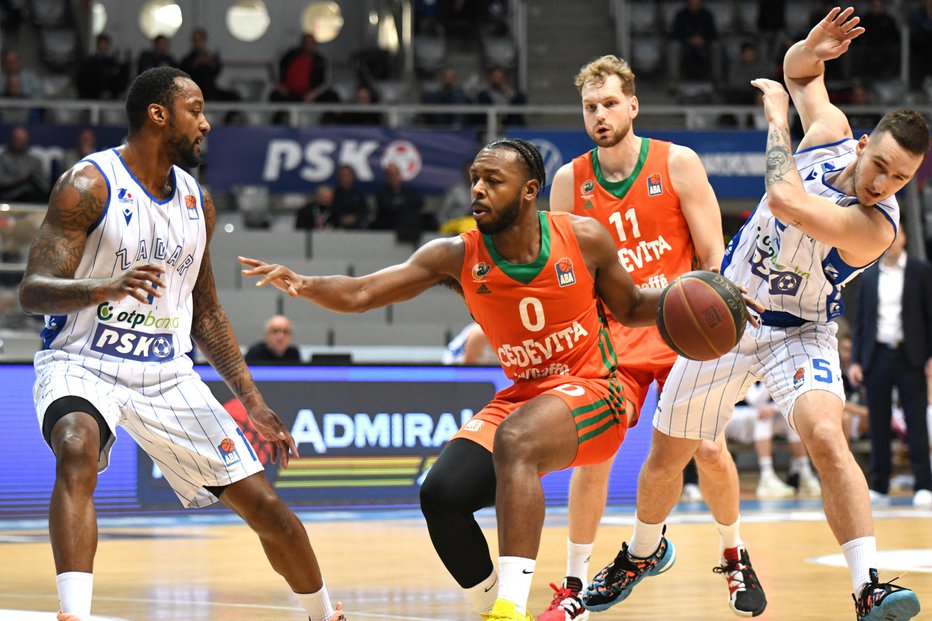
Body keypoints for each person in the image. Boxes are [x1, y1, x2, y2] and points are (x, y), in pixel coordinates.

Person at [239, 139, 745, 621]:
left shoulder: (583, 237)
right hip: (524, 395)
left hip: (597, 387)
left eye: (493, 181)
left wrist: (709, 295)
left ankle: (510, 603)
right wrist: (304, 284)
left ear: (529, 190)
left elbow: (633, 307)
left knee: (517, 439)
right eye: (475, 180)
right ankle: (495, 609)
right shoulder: (456, 254)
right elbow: (362, 293)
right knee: (441, 495)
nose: (478, 190)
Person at [583, 9, 928, 621]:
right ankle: (640, 552)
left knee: (826, 434)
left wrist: (776, 122)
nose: (883, 183)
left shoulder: (876, 225)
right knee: (669, 453)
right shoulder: (832, 132)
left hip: (800, 331)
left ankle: (868, 584)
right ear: (862, 143)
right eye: (880, 165)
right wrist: (809, 48)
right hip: (726, 312)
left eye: (901, 178)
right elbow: (800, 74)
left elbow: (785, 198)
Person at [17, 67, 345, 621]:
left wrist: (254, 402)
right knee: (77, 446)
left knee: (268, 510)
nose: (207, 123)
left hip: (168, 375)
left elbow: (208, 311)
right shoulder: (88, 184)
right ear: (158, 114)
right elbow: (32, 291)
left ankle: (324, 613)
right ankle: (73, 614)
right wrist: (102, 287)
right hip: (81, 362)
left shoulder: (198, 201)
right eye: (196, 110)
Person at [543, 54, 766, 620]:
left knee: (709, 448)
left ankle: (734, 555)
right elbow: (564, 275)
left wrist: (729, 317)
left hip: (683, 334)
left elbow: (715, 255)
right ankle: (573, 582)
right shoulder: (570, 180)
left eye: (610, 103)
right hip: (612, 340)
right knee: (591, 455)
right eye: (590, 107)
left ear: (633, 105)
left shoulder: (678, 163)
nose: (599, 114)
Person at [849, 226, 932, 507]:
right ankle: (880, 485)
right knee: (879, 422)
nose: (891, 241)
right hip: (877, 357)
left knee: (916, 420)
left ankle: (923, 484)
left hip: (911, 356)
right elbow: (860, 321)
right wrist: (857, 360)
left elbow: (930, 315)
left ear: (905, 238)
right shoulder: (869, 275)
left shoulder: (920, 271)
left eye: (896, 235)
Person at [726, 382, 821, 499]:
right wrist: (771, 381)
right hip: (733, 416)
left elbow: (791, 399)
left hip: (756, 417)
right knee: (763, 416)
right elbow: (755, 400)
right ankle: (766, 476)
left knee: (789, 420)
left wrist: (774, 407)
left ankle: (805, 473)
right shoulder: (750, 367)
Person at [179, 28, 239, 102]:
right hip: (193, 91)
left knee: (235, 97)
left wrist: (211, 63)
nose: (198, 42)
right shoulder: (187, 59)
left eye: (200, 40)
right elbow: (184, 72)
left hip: (211, 90)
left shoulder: (210, 57)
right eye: (196, 40)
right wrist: (196, 63)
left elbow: (217, 71)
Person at [372, 163, 427, 244]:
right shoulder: (382, 193)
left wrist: (399, 205)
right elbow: (387, 207)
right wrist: (405, 205)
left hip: (409, 224)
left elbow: (419, 203)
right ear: (387, 177)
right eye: (390, 175)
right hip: (389, 225)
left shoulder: (410, 191)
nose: (393, 177)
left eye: (395, 174)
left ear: (400, 175)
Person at [0, 125, 50, 202]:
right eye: (18, 139)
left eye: (24, 139)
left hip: (33, 198)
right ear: (11, 140)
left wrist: (33, 178)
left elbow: (45, 185)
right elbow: (2, 180)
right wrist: (19, 179)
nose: (21, 142)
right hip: (9, 198)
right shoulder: (3, 158)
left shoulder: (35, 161)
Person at [75, 33, 129, 101]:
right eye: (101, 44)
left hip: (109, 100)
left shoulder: (113, 63)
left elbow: (117, 82)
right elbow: (83, 82)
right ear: (97, 45)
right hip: (92, 98)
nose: (103, 46)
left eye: (105, 44)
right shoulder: (89, 63)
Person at [328, 165, 370, 229]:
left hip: (357, 230)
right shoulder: (332, 195)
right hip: (336, 230)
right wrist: (341, 218)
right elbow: (327, 213)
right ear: (339, 177)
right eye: (343, 175)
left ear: (353, 177)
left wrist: (356, 218)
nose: (345, 178)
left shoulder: (359, 196)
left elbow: (365, 212)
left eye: (348, 175)